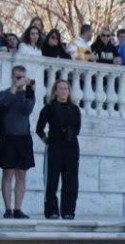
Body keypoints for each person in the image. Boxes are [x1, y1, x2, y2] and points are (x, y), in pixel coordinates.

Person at [36, 80, 81, 219]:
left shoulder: (74, 108)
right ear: (55, 91)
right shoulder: (49, 107)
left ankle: (68, 211)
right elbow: (39, 129)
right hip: (55, 147)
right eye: (60, 88)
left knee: (71, 181)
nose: (63, 91)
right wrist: (48, 141)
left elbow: (77, 129)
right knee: (52, 180)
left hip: (71, 147)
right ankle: (52, 211)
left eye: (66, 88)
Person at [0, 65, 36, 219]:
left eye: (22, 77)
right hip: (7, 137)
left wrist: (30, 91)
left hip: (23, 138)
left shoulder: (27, 94)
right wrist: (14, 88)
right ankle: (7, 209)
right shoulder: (4, 93)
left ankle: (18, 209)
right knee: (7, 173)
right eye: (17, 77)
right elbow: (3, 106)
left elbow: (27, 110)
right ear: (12, 77)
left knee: (21, 175)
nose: (20, 79)